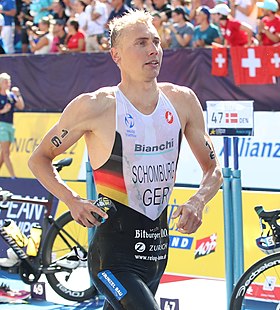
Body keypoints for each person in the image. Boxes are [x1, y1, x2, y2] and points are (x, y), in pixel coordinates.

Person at [28, 10, 222, 310]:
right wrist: (73, 200)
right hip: (112, 258)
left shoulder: (182, 101)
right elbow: (39, 159)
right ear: (116, 55)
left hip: (156, 252)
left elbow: (213, 170)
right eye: (141, 43)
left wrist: (198, 201)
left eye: (156, 42)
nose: (153, 50)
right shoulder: (95, 106)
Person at [0, 73, 24, 178]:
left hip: (10, 125)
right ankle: (13, 177)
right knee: (6, 152)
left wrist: (18, 94)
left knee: (3, 155)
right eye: (5, 82)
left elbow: (21, 106)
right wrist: (3, 110)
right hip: (1, 126)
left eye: (9, 81)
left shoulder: (11, 95)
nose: (8, 84)